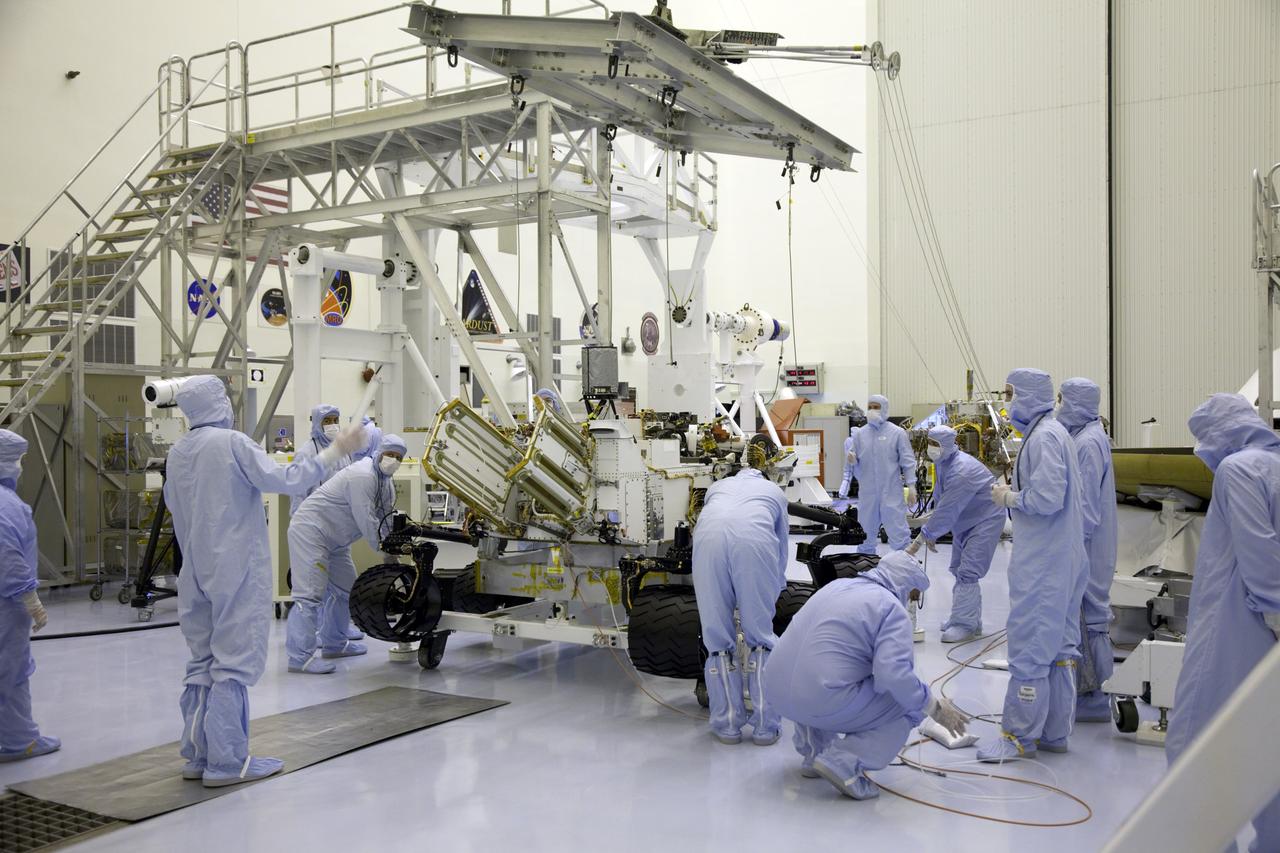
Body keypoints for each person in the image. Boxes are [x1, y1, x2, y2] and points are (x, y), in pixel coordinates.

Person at [166, 376, 365, 787]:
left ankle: (198, 755)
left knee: (202, 661)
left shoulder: (179, 451)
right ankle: (227, 763)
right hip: (233, 568)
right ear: (218, 403)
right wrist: (337, 450)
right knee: (232, 661)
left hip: (194, 569)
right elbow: (287, 479)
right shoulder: (231, 443)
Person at [1167, 393, 1280, 852]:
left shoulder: (1238, 470)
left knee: (1193, 747)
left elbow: (1258, 552)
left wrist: (1274, 611)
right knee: (1268, 753)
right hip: (1266, 637)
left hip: (1235, 626)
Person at [765, 551, 967, 799]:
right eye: (913, 594)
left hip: (775, 692)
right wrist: (934, 707)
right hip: (817, 698)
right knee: (909, 705)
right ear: (905, 585)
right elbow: (893, 676)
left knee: (819, 673)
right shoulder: (890, 608)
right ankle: (844, 763)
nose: (911, 600)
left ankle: (814, 753)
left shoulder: (838, 586)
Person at [976, 369, 1087, 762]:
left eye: (1009, 394)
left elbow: (1047, 499)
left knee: (1031, 644)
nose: (1006, 402)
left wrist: (1009, 498)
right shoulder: (1053, 433)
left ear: (1028, 395)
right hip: (1063, 558)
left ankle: (1019, 735)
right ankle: (1054, 732)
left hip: (1044, 563)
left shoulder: (1043, 438)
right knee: (1059, 647)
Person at [692, 445, 789, 746]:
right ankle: (765, 728)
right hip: (754, 543)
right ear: (766, 472)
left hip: (707, 543)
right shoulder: (774, 492)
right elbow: (781, 547)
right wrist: (774, 586)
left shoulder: (717, 488)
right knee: (760, 638)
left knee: (718, 640)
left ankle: (727, 725)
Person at [286, 434, 407, 674]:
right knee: (309, 595)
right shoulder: (362, 475)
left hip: (336, 541)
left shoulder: (385, 483)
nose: (392, 460)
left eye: (398, 457)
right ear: (378, 452)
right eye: (389, 454)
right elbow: (367, 519)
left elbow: (385, 520)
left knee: (346, 591)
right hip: (311, 532)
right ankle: (300, 658)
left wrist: (392, 556)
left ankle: (335, 643)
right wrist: (383, 548)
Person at [906, 425, 1004, 643]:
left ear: (948, 445)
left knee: (968, 571)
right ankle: (968, 618)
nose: (931, 448)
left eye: (936, 444)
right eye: (930, 442)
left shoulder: (961, 470)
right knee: (959, 569)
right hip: (966, 519)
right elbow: (941, 500)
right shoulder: (944, 463)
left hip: (985, 519)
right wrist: (932, 530)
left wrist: (921, 539)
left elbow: (948, 509)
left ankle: (965, 624)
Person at [1055, 378, 1118, 722]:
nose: (1059, 406)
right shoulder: (1088, 437)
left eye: (1062, 400)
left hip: (1088, 547)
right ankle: (1090, 695)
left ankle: (1095, 699)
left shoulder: (1087, 444)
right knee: (1088, 617)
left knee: (1091, 618)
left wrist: (1069, 550)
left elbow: (1086, 510)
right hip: (1090, 545)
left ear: (1077, 403)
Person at [0, 430, 59, 763]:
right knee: (11, 671)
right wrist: (29, 598)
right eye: (19, 460)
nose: (20, 467)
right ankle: (19, 741)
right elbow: (7, 555)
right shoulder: (6, 505)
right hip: (6, 606)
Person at [291, 403, 364, 644]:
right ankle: (318, 633)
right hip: (314, 530)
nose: (332, 425)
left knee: (344, 585)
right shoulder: (306, 453)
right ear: (316, 423)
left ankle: (336, 631)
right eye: (327, 421)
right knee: (316, 585)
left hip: (337, 530)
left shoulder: (342, 452)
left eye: (335, 420)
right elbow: (298, 493)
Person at [849, 395, 915, 554]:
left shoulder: (897, 433)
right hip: (868, 493)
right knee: (864, 533)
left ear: (884, 408)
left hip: (891, 492)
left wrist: (912, 485)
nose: (872, 410)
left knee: (898, 531)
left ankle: (903, 563)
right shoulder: (860, 435)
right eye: (870, 407)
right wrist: (853, 461)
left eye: (876, 407)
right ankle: (866, 563)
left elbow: (908, 461)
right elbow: (855, 464)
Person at [837, 425, 858, 500]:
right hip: (855, 460)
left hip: (848, 460)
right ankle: (842, 494)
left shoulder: (847, 440)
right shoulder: (856, 440)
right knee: (861, 477)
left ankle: (842, 493)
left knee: (847, 477)